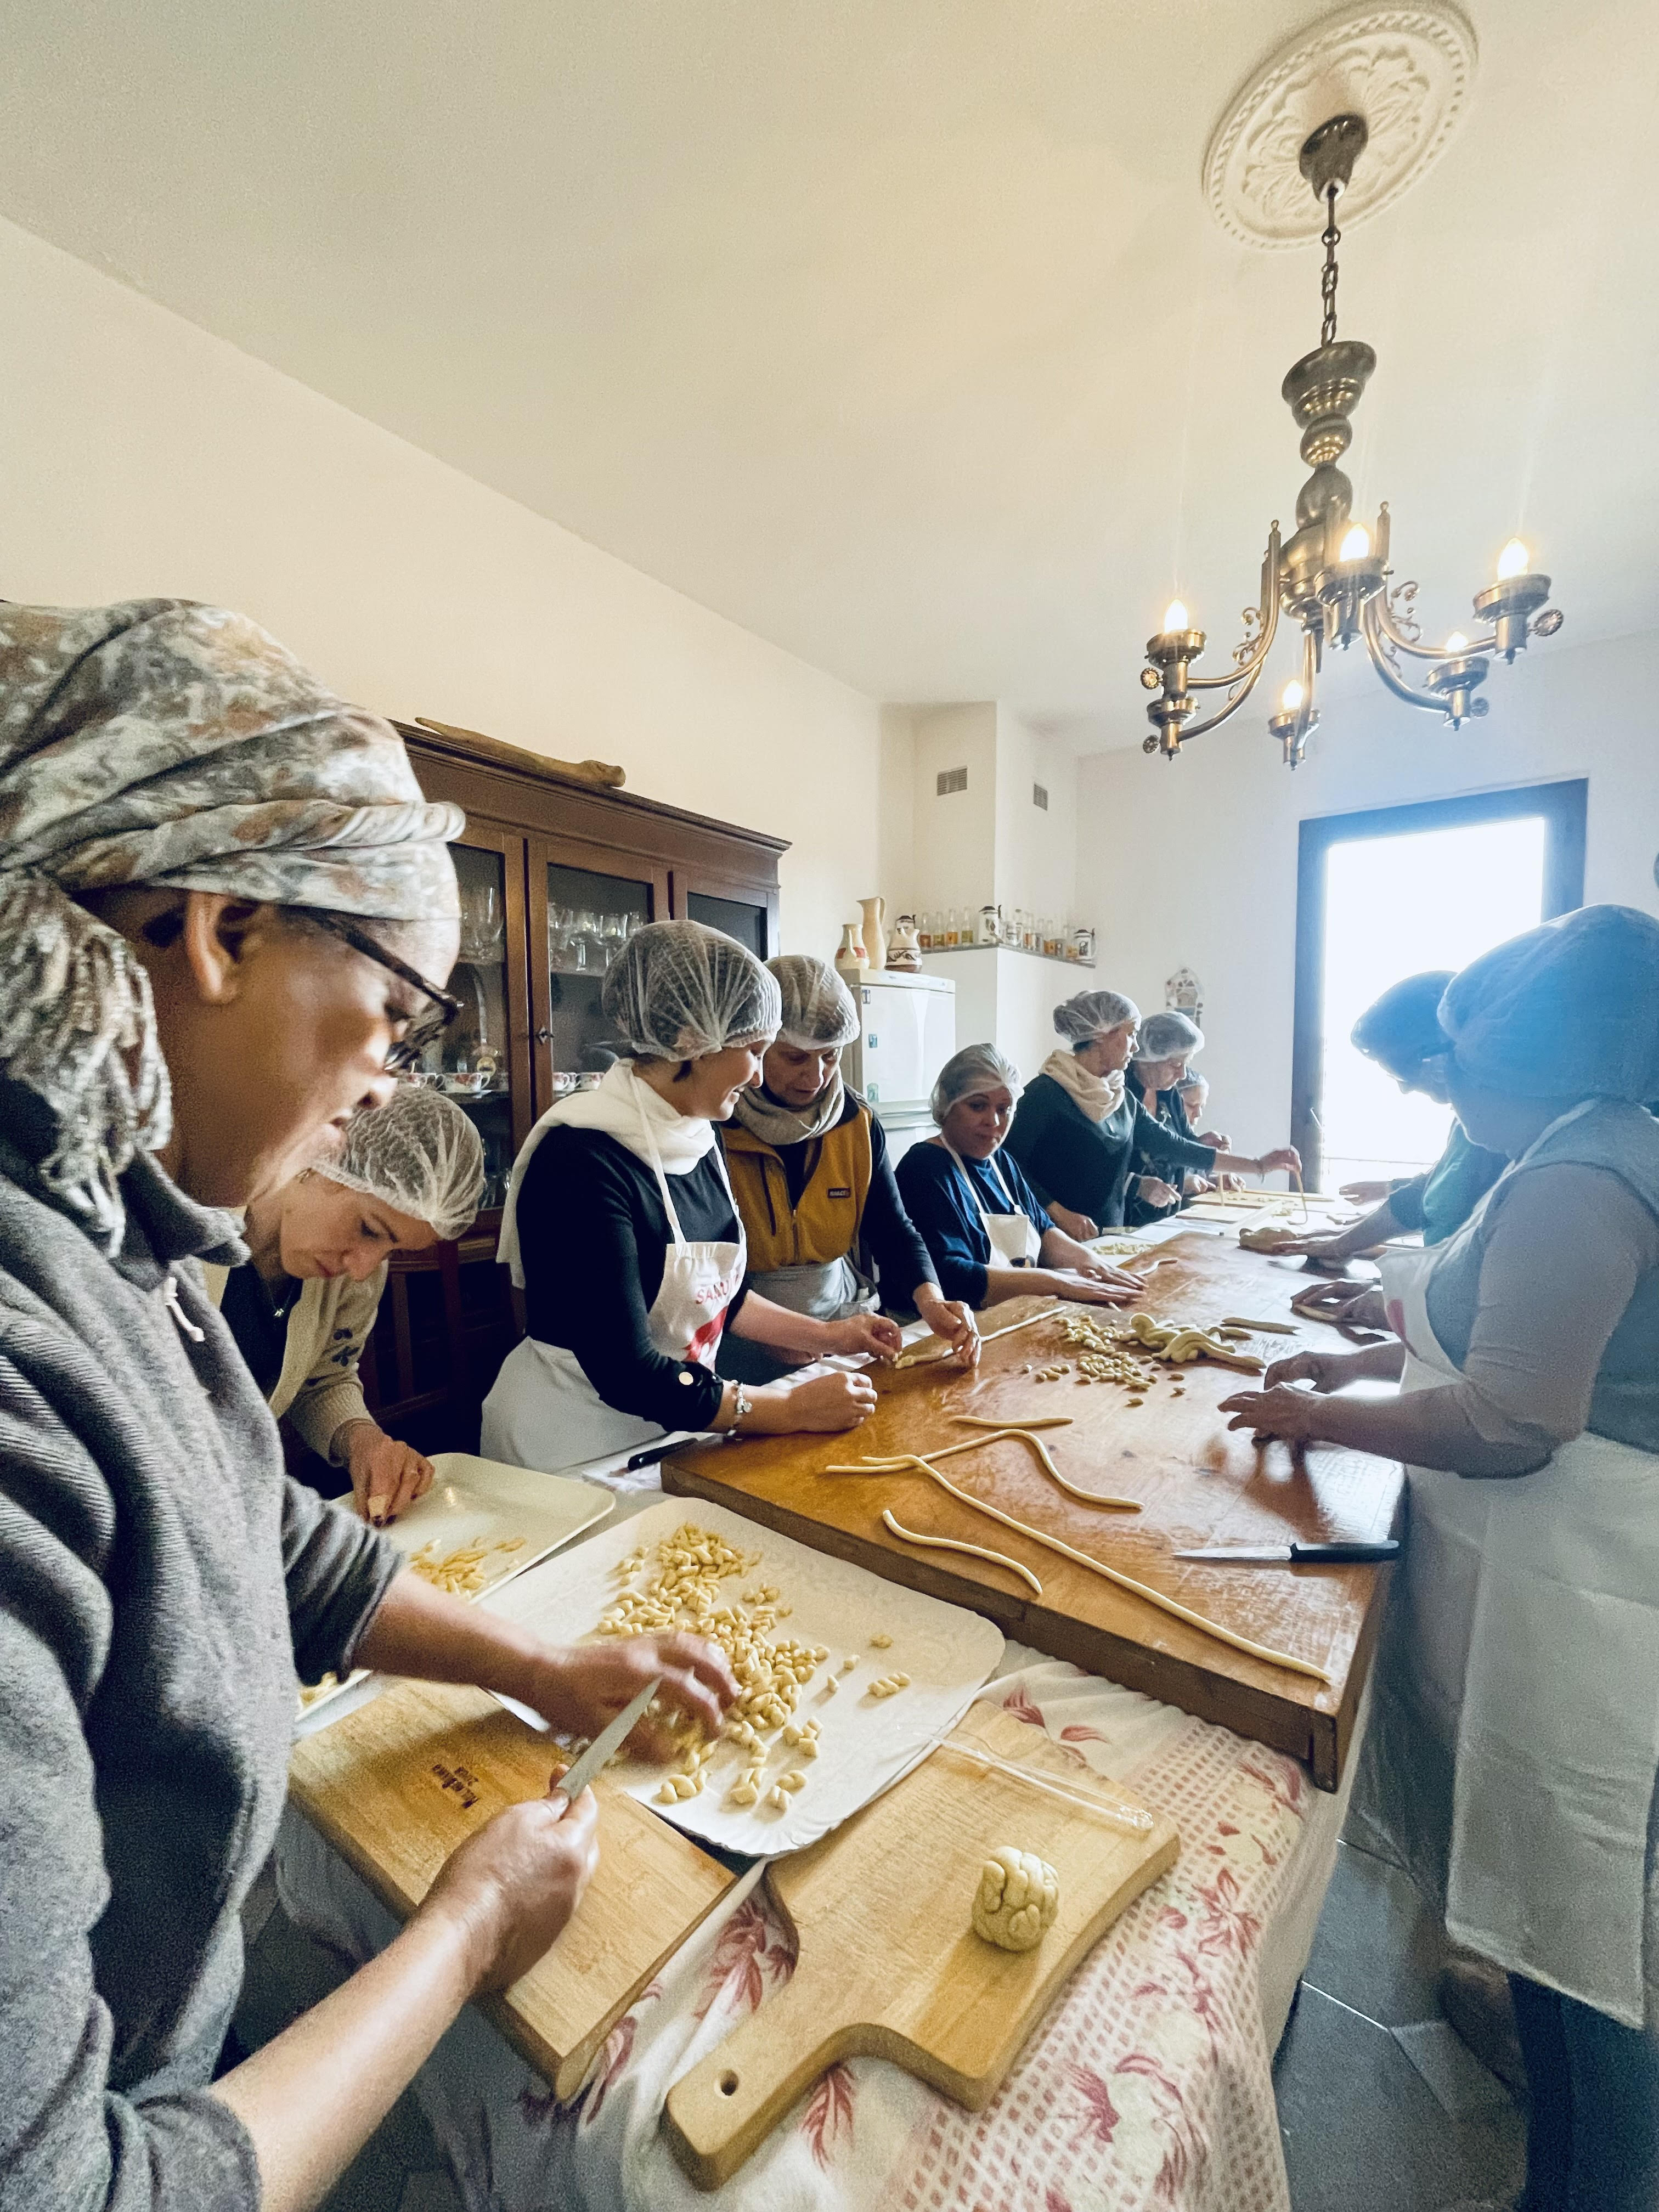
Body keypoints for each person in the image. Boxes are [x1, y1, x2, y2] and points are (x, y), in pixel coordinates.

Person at [0, 599, 735, 2212]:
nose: (389, 1081)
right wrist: (466, 1925)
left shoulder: (115, 1248)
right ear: (217, 931)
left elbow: (271, 1537)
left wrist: (545, 1664)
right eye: (397, 1011)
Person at [1218, 905, 1659, 2212]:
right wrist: (1356, 1360)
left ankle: (1596, 2185)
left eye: (1459, 1058)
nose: (1443, 1082)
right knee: (1553, 1918)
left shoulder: (1583, 1177)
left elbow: (1511, 1417)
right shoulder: (1571, 1150)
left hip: (1586, 1602)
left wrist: (1318, 1416)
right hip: (1548, 1583)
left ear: (1536, 1059)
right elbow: (1467, 1323)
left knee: (1583, 1935)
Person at [484, 922, 887, 1482]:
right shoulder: (581, 1160)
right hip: (569, 1445)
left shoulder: (696, 1137)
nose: (755, 1073)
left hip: (671, 1426)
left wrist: (830, 1336)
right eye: (754, 1050)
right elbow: (628, 1372)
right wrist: (789, 1410)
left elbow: (720, 1297)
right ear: (691, 1043)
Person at [207, 1085, 485, 1523]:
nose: (363, 1268)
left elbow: (324, 1377)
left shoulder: (353, 1273)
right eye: (371, 1229)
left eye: (391, 1250)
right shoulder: (188, 1235)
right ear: (320, 1160)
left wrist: (363, 1440)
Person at [718, 953, 978, 1383]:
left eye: (831, 1057)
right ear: (757, 1043)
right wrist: (777, 1335)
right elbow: (702, 1269)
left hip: (840, 1323)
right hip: (737, 1336)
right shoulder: (718, 1124)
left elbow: (892, 1229)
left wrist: (931, 1301)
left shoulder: (856, 1122)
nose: (816, 1077)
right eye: (796, 1058)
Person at [1005, 991, 1301, 1237]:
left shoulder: (1119, 1098)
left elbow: (1175, 1147)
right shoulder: (1046, 1094)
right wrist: (1058, 1213)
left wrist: (1259, 1165)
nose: (1136, 1046)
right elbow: (1007, 1167)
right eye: (1131, 1035)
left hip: (1110, 1233)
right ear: (1102, 1036)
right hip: (1053, 1237)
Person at [1275, 971, 1508, 1268]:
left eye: (1404, 1072)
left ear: (1442, 1053)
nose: (1405, 1087)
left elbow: (1447, 1205)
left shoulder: (1497, 1128)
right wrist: (1345, 1239)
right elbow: (1433, 1188)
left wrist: (1346, 1243)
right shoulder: (1468, 1117)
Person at [894, 1044, 1143, 1310]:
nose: (993, 1121)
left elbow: (1043, 1229)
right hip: (940, 1325)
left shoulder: (1001, 1161)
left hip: (1008, 1312)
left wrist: (1090, 1261)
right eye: (978, 1106)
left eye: (1004, 1109)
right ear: (948, 1106)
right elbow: (951, 1276)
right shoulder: (925, 1168)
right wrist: (1057, 1283)